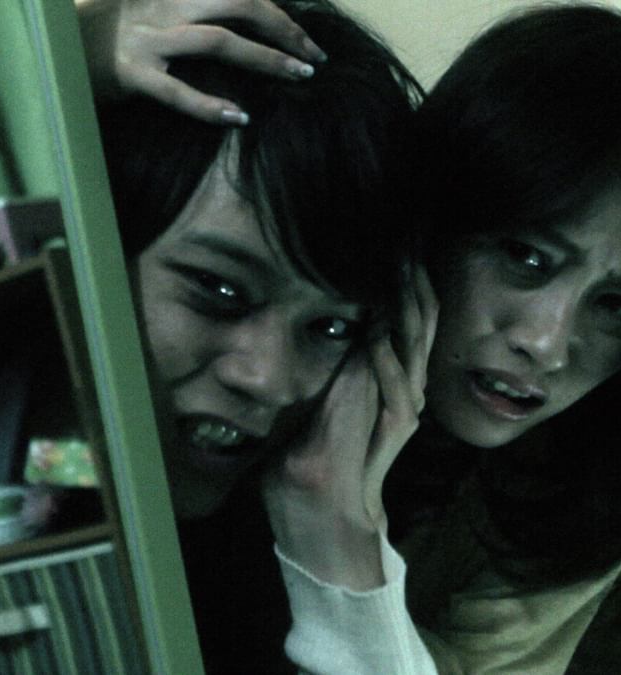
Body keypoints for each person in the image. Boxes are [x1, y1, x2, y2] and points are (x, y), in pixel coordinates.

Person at [89, 2, 621, 673]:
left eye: (618, 305)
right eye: (526, 258)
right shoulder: (257, 354)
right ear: (429, 223)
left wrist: (337, 547)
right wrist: (76, 55)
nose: (548, 344)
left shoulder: (585, 510)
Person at [91, 1, 439, 671]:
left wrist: (335, 547)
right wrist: (68, 61)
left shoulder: (261, 571)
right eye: (220, 291)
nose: (272, 381)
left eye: (331, 327)